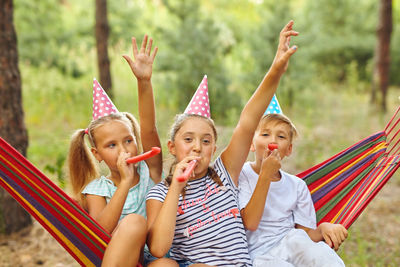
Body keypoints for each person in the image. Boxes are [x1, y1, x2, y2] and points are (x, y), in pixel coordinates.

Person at [145, 21, 298, 267]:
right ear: (172, 147)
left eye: (206, 141)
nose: (197, 147)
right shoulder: (159, 194)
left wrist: (276, 69)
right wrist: (176, 187)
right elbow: (159, 248)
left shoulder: (224, 173)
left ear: (213, 149)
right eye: (188, 139)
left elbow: (248, 122)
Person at [68, 35, 161, 267]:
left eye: (129, 140)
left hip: (152, 258)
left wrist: (144, 82)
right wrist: (125, 183)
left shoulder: (151, 171)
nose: (124, 150)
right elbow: (99, 232)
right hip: (117, 259)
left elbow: (149, 126)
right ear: (96, 154)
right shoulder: (97, 190)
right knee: (134, 222)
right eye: (112, 145)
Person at [238, 112, 348, 267]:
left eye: (281, 137)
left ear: (288, 149)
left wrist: (323, 228)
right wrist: (265, 175)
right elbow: (250, 223)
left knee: (322, 255)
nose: (273, 141)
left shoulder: (297, 185)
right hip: (260, 254)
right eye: (265, 134)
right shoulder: (241, 174)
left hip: (292, 243)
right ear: (251, 144)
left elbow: (307, 236)